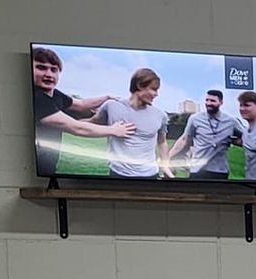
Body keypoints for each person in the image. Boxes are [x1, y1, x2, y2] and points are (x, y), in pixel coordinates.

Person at [30, 46, 132, 176]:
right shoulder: (37, 99)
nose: (49, 74)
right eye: (41, 68)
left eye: (54, 70)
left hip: (48, 169)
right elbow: (76, 128)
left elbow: (81, 104)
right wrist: (114, 130)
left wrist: (106, 97)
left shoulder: (54, 95)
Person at [91, 67, 167, 179]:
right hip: (118, 174)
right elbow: (91, 123)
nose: (156, 94)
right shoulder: (111, 106)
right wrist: (65, 124)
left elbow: (162, 142)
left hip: (150, 175)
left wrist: (165, 166)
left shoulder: (160, 115)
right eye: (154, 89)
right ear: (140, 85)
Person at [162, 89, 240, 180]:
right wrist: (168, 158)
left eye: (212, 101)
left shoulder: (231, 121)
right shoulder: (195, 119)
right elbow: (184, 140)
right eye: (207, 100)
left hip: (220, 171)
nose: (208, 103)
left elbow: (246, 137)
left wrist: (233, 141)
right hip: (197, 169)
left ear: (221, 102)